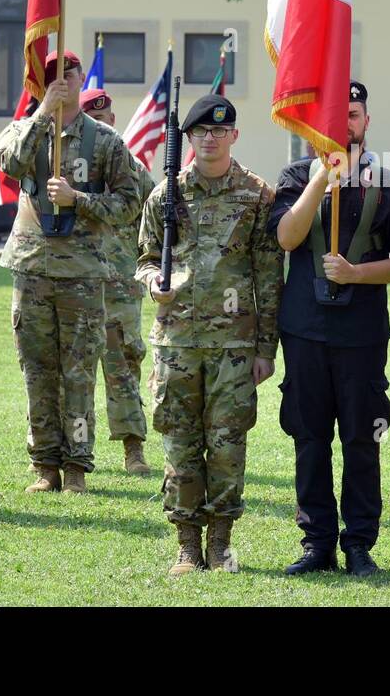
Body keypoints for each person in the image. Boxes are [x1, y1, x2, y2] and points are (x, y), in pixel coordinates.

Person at [271, 81, 390, 577]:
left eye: (353, 115)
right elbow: (287, 238)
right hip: (306, 331)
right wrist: (320, 179)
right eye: (337, 117)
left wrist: (357, 274)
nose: (345, 125)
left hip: (361, 333)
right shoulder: (294, 176)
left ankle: (358, 544)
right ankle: (317, 544)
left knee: (361, 438)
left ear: (367, 122)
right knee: (308, 437)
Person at [137, 94, 283, 576]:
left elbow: (268, 275)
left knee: (226, 444)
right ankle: (185, 543)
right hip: (176, 341)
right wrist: (153, 284)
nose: (211, 138)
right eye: (201, 132)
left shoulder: (257, 195)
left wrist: (266, 349)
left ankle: (220, 542)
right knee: (179, 441)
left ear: (234, 136)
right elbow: (142, 259)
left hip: (235, 348)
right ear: (189, 139)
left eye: (220, 131)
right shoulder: (166, 195)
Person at [0, 51, 144, 495]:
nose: (61, 82)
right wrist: (42, 113)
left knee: (78, 373)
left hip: (82, 272)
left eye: (69, 74)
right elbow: (9, 166)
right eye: (51, 77)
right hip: (32, 267)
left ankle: (77, 465)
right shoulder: (24, 130)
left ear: (82, 80)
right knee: (37, 371)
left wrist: (79, 199)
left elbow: (130, 202)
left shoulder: (104, 142)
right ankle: (44, 465)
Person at [80, 87, 157, 474]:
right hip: (73, 280)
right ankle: (63, 451)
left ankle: (133, 448)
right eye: (93, 120)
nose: (103, 124)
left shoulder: (130, 167)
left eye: (107, 117)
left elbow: (157, 210)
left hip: (120, 283)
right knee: (68, 367)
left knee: (124, 363)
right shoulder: (66, 166)